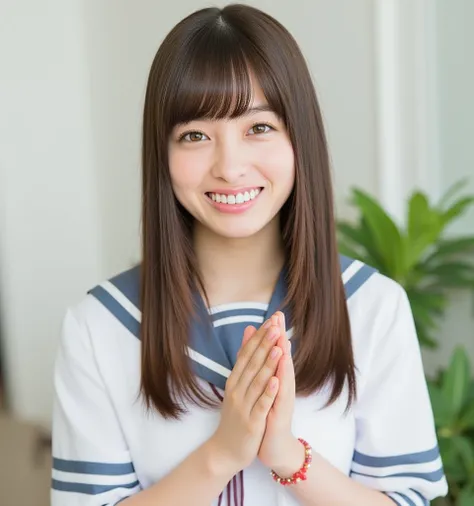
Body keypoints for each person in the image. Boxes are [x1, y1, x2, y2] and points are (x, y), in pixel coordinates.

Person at [51, 4, 448, 506]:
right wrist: (222, 453)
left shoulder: (371, 307)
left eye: (258, 127)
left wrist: (286, 455)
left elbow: (405, 499)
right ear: (162, 154)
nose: (230, 166)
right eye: (195, 135)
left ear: (298, 137)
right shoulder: (99, 326)